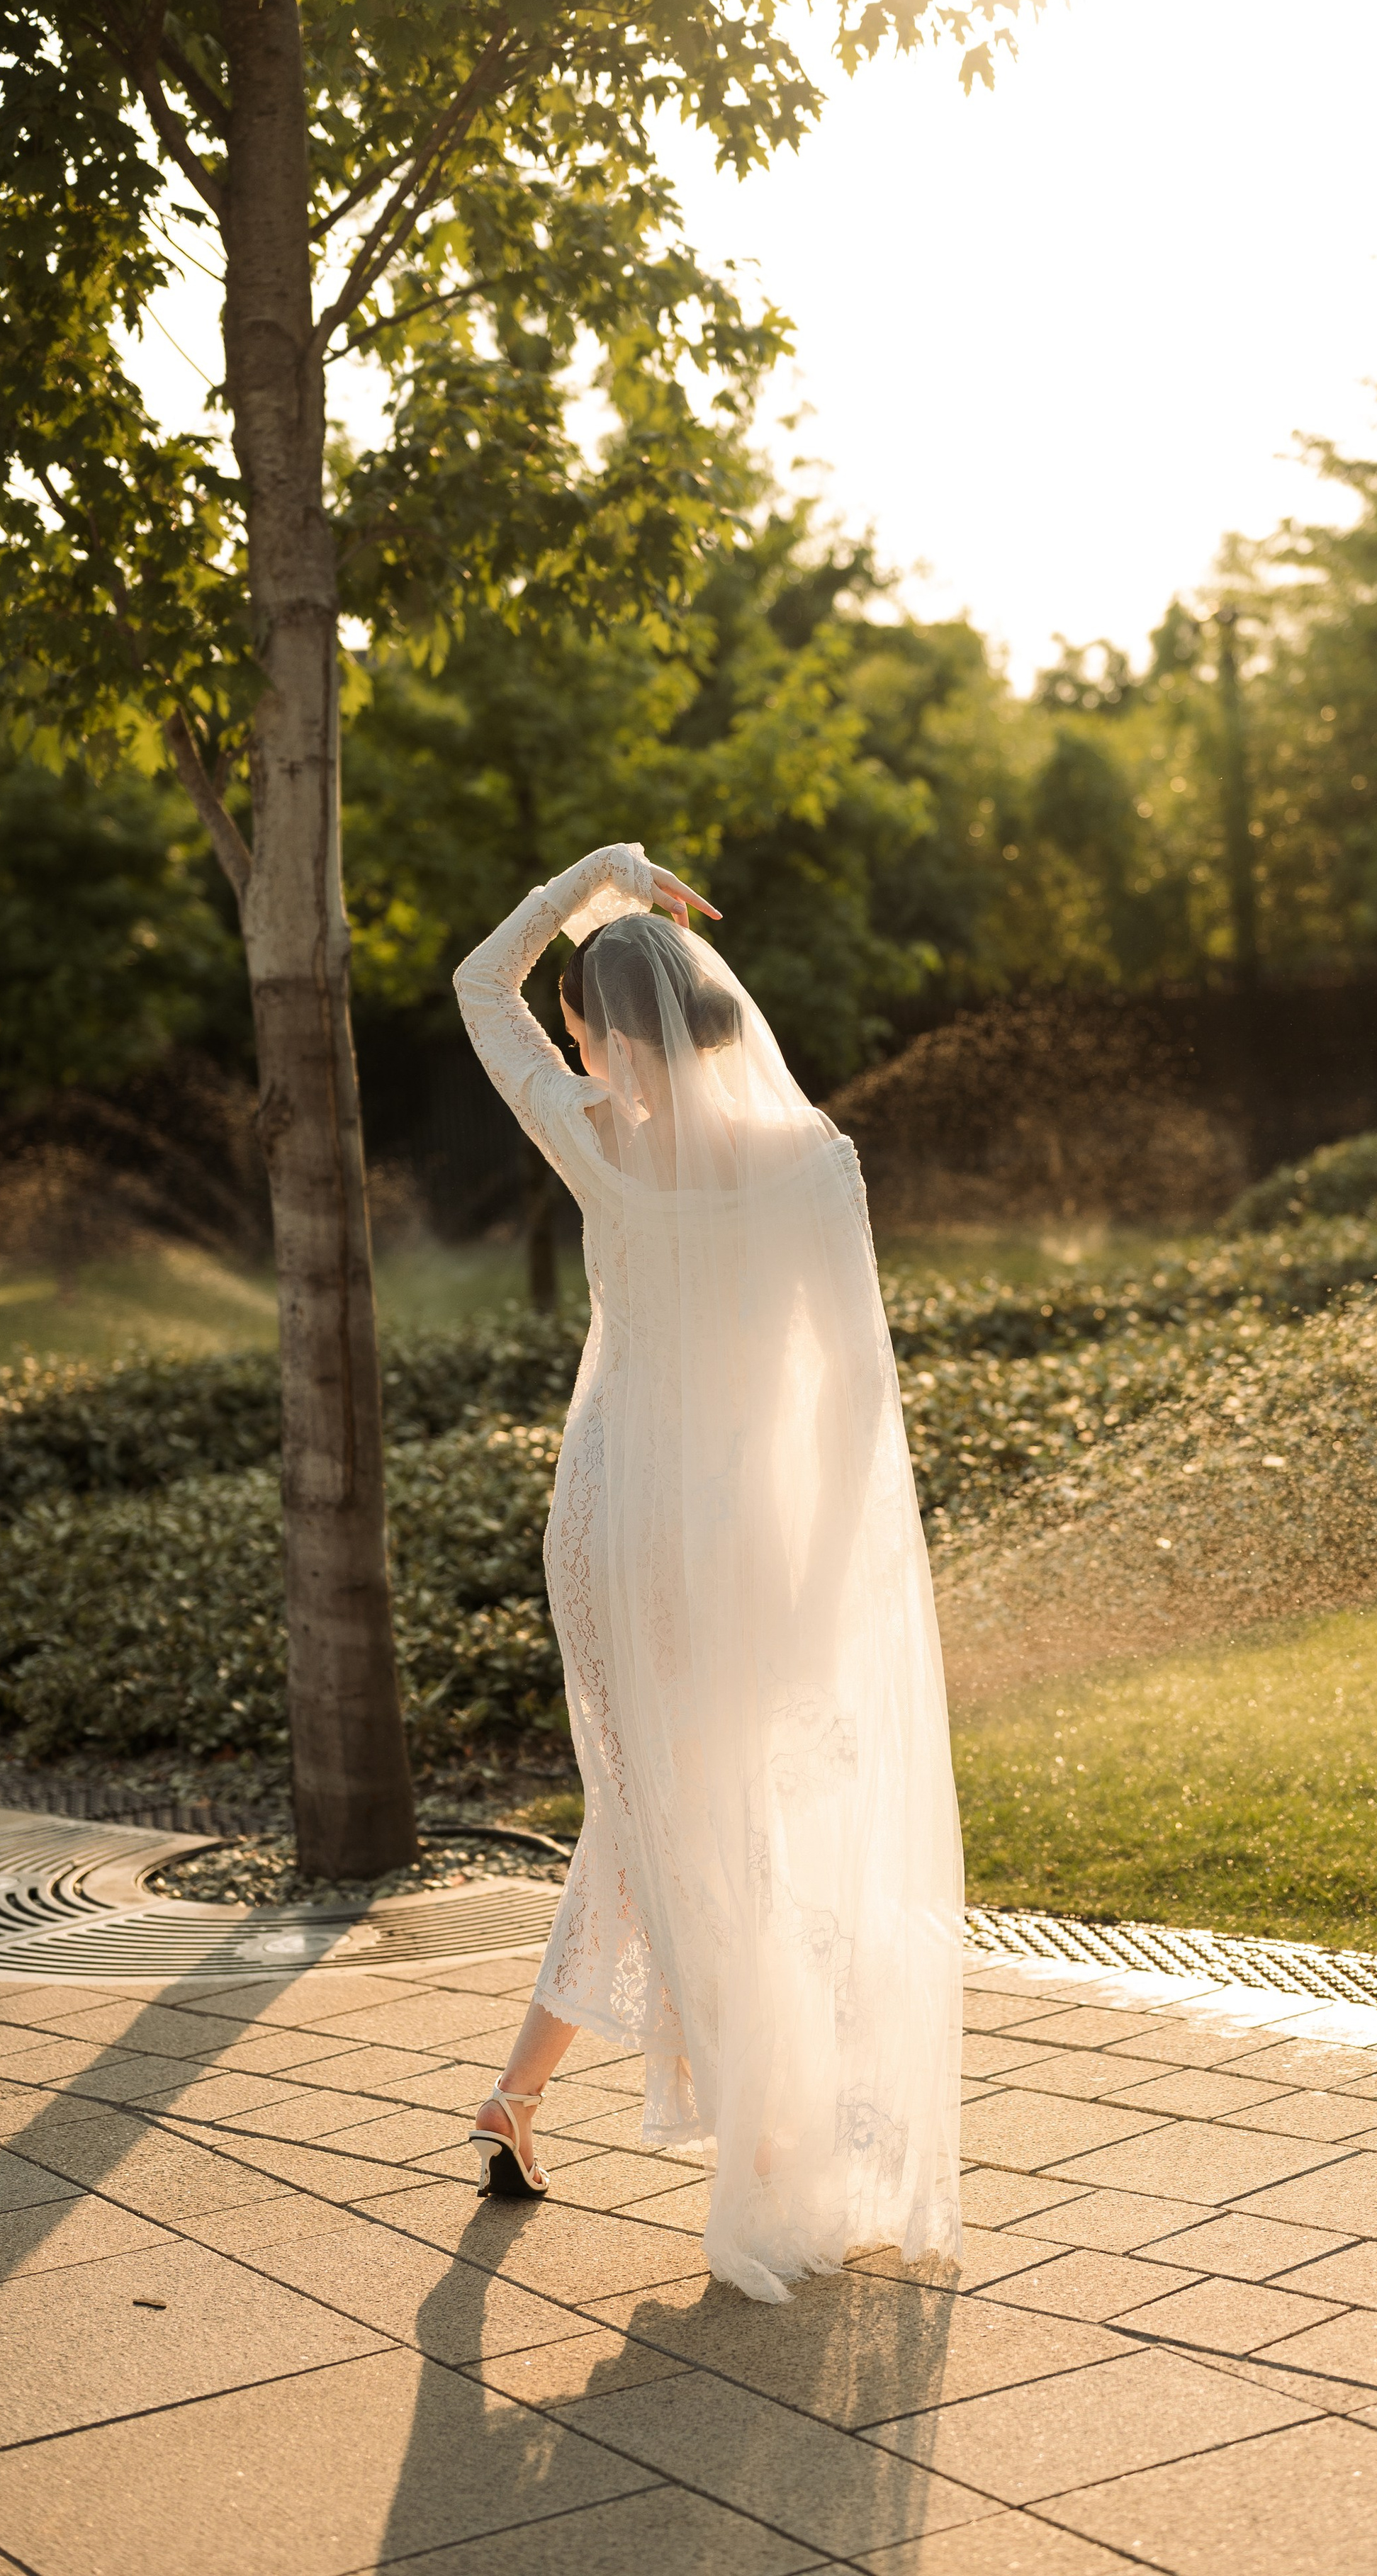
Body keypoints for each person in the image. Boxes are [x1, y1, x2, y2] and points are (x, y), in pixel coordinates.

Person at [451, 842, 964, 2300]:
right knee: (689, 1811)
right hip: (748, 1530)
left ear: (610, 1038)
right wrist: (820, 1569)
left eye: (580, 1030)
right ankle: (759, 2119)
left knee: (652, 1808)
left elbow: (477, 984)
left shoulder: (598, 1140)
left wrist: (593, 878)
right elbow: (851, 1395)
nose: (573, 1053)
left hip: (617, 1523)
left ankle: (524, 2099)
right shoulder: (816, 1165)